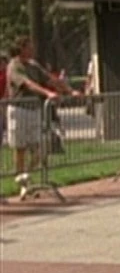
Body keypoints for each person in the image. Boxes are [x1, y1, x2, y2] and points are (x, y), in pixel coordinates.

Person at [4, 36, 78, 198]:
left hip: (34, 110)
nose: (32, 49)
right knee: (20, 148)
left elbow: (51, 79)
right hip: (19, 110)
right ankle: (23, 186)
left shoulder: (33, 65)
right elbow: (27, 83)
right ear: (21, 48)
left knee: (40, 148)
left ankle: (26, 175)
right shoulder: (14, 66)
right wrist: (47, 93)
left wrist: (70, 90)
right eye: (29, 47)